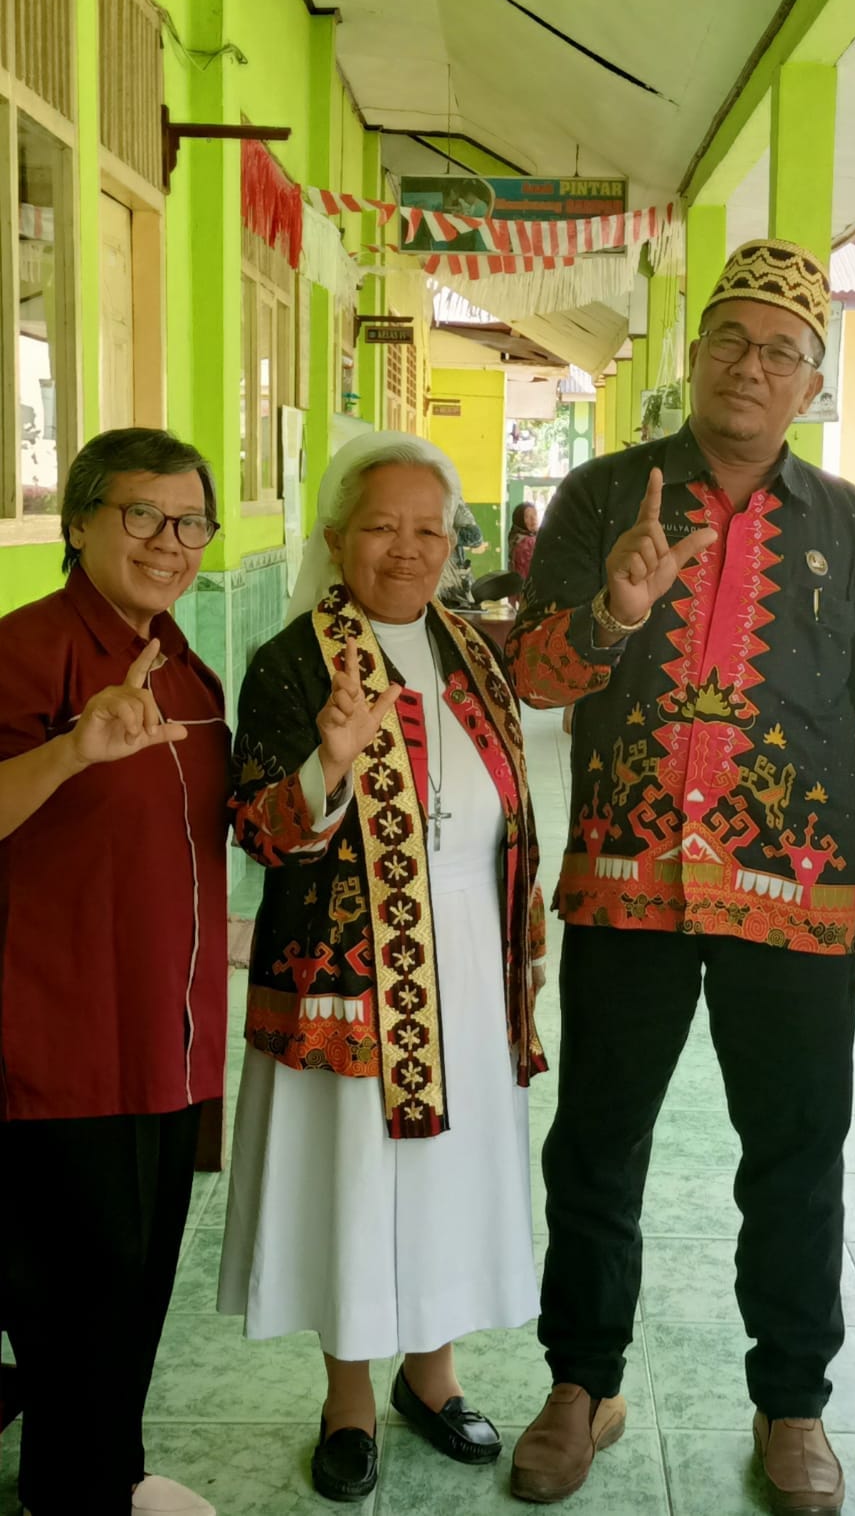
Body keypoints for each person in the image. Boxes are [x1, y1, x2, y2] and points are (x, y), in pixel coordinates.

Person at [504, 240, 855, 1513]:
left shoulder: (851, 529)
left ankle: (792, 1404)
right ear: (693, 356)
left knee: (796, 1159)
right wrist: (614, 612)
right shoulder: (602, 497)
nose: (751, 367)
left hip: (795, 895)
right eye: (730, 341)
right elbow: (533, 674)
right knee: (596, 1146)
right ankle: (579, 1384)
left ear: (812, 382)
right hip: (626, 879)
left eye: (780, 351)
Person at [217, 432, 548, 1503]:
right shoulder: (290, 662)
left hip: (469, 960)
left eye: (428, 529)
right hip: (348, 976)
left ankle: (432, 1378)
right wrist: (328, 762)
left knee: (450, 1176)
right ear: (334, 538)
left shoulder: (474, 651)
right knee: (353, 1182)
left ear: (454, 543)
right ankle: (349, 1400)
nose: (406, 549)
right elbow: (258, 829)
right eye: (380, 527)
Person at [0, 429, 228, 1516]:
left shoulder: (186, 665)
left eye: (190, 522)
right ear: (79, 520)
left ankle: (104, 1478)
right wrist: (72, 750)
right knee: (75, 1303)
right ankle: (81, 1495)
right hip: (60, 1040)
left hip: (165, 1038)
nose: (168, 541)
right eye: (142, 515)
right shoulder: (26, 650)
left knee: (135, 1288)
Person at [509, 501, 539, 580]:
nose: (533, 519)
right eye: (527, 516)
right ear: (520, 520)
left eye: (535, 514)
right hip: (529, 585)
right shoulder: (528, 542)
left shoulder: (515, 536)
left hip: (517, 584)